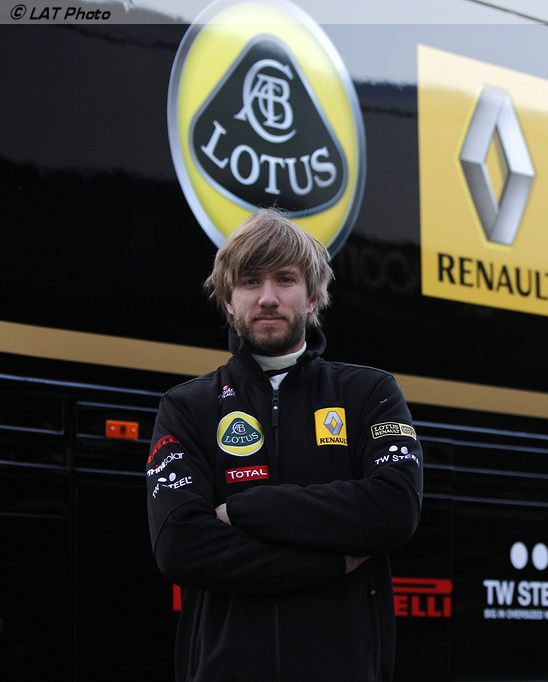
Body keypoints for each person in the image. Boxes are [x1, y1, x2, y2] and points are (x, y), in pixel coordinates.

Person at [145, 209, 423, 682]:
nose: (268, 297)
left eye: (285, 279)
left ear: (312, 296)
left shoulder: (369, 393)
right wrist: (334, 561)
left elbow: (395, 508)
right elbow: (180, 546)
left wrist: (244, 509)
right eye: (251, 281)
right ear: (229, 300)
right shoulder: (187, 406)